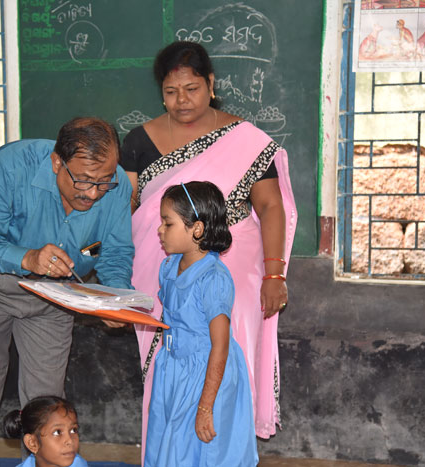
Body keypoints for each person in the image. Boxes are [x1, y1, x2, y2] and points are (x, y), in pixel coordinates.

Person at [120, 41, 297, 453]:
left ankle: (222, 451)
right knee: (168, 367)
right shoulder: (139, 141)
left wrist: (274, 275)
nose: (181, 100)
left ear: (211, 84)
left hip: (235, 270)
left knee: (224, 359)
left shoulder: (247, 139)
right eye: (170, 91)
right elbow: (126, 209)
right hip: (160, 269)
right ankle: (169, 453)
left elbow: (270, 207)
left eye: (192, 89)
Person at [0, 117, 134, 467]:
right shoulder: (11, 166)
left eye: (103, 182)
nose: (93, 193)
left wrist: (116, 301)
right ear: (57, 162)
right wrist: (28, 257)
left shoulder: (118, 188)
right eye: (82, 180)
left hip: (54, 297)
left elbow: (114, 253)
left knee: (49, 410)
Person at [145, 182, 258, 467]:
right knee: (168, 443)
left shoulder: (213, 278)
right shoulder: (169, 267)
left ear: (196, 229)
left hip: (205, 372)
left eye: (167, 223)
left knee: (197, 451)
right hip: (172, 368)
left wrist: (206, 406)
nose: (160, 230)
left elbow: (219, 345)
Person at [2, 396, 88, 467]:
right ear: (32, 443)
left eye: (74, 430)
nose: (70, 440)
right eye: (57, 432)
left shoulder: (79, 464)